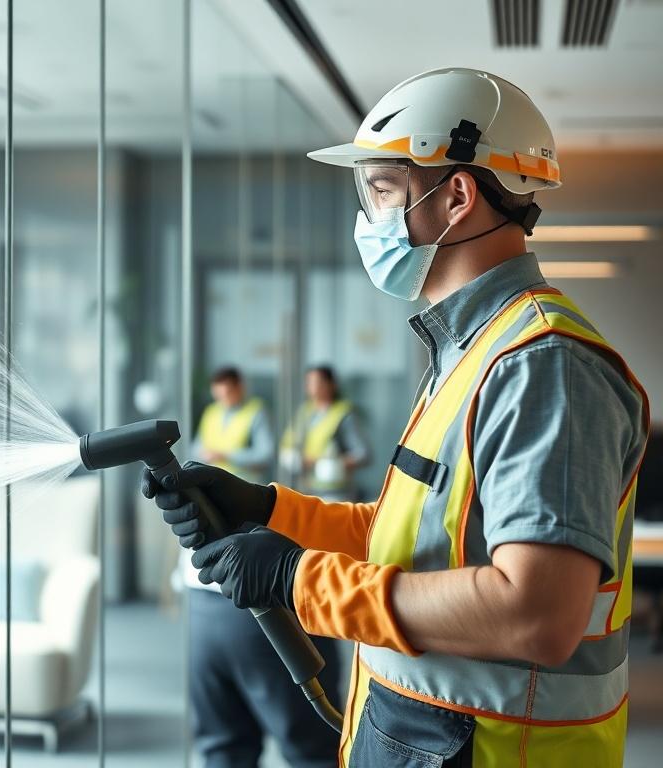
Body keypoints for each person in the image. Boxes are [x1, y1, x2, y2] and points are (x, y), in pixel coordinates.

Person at [144, 68, 649, 767]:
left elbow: (538, 613)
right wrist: (270, 511)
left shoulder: (541, 365)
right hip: (430, 740)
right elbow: (411, 543)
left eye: (382, 190)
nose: (369, 218)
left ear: (456, 197)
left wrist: (299, 580)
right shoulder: (471, 350)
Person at [183, 367, 340, 767]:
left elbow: (266, 452)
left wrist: (264, 504)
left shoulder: (259, 413)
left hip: (216, 594)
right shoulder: (215, 416)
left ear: (238, 386)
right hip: (249, 593)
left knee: (224, 748)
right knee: (314, 749)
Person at [280, 366, 369, 500]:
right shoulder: (304, 412)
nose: (312, 387)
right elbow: (288, 445)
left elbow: (362, 454)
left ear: (331, 385)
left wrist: (327, 463)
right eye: (309, 383)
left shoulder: (343, 414)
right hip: (306, 490)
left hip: (335, 493)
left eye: (317, 382)